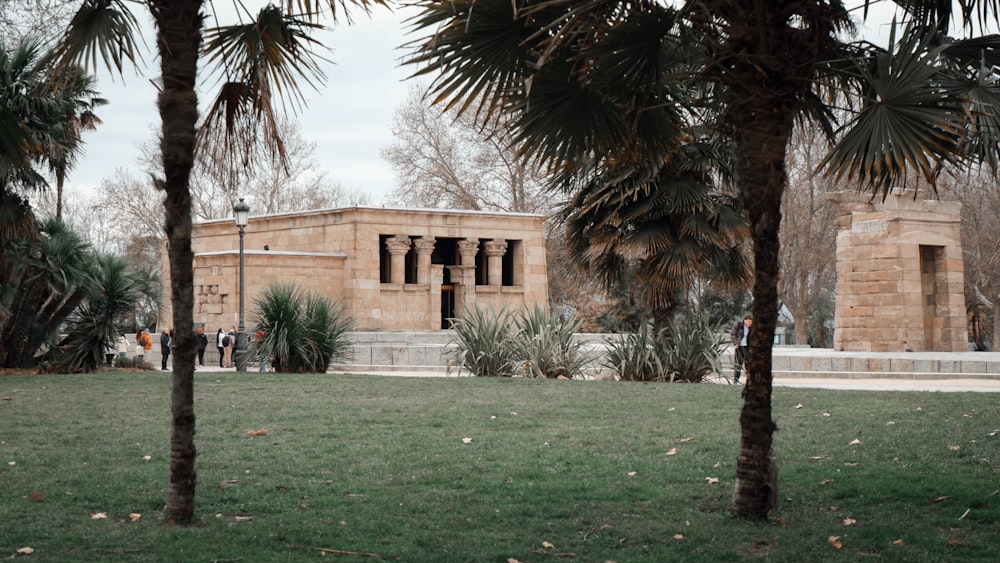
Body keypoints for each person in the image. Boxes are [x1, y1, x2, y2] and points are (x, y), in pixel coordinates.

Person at [730, 314, 752, 384]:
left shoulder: (752, 327)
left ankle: (749, 381)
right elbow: (733, 334)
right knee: (738, 365)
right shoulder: (739, 325)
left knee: (749, 365)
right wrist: (736, 342)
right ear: (745, 320)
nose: (750, 323)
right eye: (748, 321)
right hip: (739, 347)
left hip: (747, 348)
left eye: (751, 321)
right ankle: (736, 381)